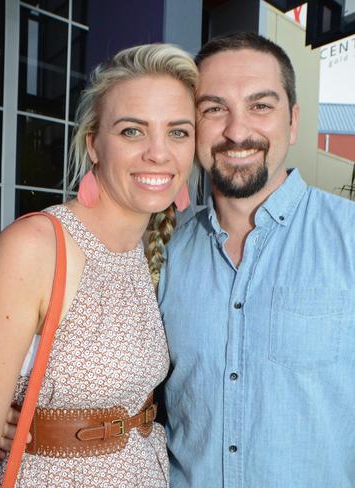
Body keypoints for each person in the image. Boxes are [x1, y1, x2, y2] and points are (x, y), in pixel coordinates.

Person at [0, 43, 197, 487]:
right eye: (132, 132)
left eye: (178, 132)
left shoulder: (150, 249)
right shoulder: (36, 246)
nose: (159, 154)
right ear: (94, 145)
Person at [158, 32, 355, 487]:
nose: (236, 130)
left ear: (293, 122)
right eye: (214, 108)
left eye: (260, 106)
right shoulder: (164, 252)